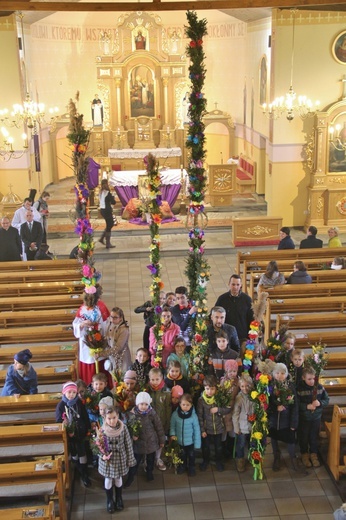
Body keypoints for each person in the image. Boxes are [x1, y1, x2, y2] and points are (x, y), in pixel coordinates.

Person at [98, 406, 136, 513]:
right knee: (109, 479)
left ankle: (119, 498)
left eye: (114, 417)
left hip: (120, 459)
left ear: (118, 416)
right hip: (108, 461)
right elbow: (97, 447)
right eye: (109, 418)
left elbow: (128, 444)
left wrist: (130, 459)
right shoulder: (102, 430)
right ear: (105, 418)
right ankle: (110, 500)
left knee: (118, 478)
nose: (112, 420)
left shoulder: (123, 428)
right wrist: (102, 456)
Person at [55, 381, 91, 487]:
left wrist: (88, 429)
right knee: (74, 454)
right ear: (64, 393)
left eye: (73, 393)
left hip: (80, 433)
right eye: (69, 392)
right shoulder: (61, 405)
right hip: (69, 436)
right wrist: (64, 424)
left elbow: (85, 416)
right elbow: (58, 420)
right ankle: (77, 469)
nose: (71, 395)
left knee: (82, 453)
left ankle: (84, 473)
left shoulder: (78, 403)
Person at [125, 392, 165, 486]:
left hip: (151, 441)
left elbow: (158, 427)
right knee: (135, 461)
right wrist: (132, 435)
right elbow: (128, 427)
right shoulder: (132, 414)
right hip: (138, 443)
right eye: (141, 404)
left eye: (146, 404)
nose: (143, 406)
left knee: (150, 459)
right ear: (137, 404)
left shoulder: (152, 413)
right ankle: (131, 476)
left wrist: (162, 440)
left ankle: (149, 472)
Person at [297, 366, 329, 468]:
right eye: (309, 379)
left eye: (313, 379)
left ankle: (314, 454)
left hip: (316, 417)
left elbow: (326, 399)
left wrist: (320, 403)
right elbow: (296, 404)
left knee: (314, 436)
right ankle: (304, 454)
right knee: (304, 436)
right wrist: (307, 406)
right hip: (304, 418)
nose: (312, 381)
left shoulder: (319, 387)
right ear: (303, 378)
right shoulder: (299, 388)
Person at [268, 363, 299, 471]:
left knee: (290, 440)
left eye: (282, 373)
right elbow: (267, 403)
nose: (279, 376)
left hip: (287, 420)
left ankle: (293, 458)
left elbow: (295, 406)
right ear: (273, 374)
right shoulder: (270, 386)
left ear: (286, 374)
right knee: (274, 438)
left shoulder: (290, 386)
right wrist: (275, 408)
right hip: (274, 419)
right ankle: (276, 456)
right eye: (277, 373)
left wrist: (293, 423)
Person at [197, 375, 231, 472]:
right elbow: (199, 415)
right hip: (206, 429)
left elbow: (228, 409)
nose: (210, 391)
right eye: (207, 389)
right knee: (206, 447)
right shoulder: (201, 400)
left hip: (218, 428)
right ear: (204, 388)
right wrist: (202, 430)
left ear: (216, 388)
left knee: (218, 447)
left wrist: (218, 409)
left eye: (212, 389)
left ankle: (218, 462)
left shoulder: (220, 398)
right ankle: (205, 461)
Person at [73, 292, 105, 384]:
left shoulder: (100, 309)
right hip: (86, 343)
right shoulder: (81, 310)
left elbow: (105, 323)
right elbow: (76, 324)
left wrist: (97, 326)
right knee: (89, 360)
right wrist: (82, 324)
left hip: (98, 340)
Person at [215, 274, 254, 342]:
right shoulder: (222, 299)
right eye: (233, 284)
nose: (235, 287)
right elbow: (215, 316)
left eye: (237, 285)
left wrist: (250, 337)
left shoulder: (247, 300)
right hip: (226, 337)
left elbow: (251, 319)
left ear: (241, 285)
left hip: (242, 337)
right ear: (229, 284)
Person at [170, 393, 201, 476]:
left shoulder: (193, 416)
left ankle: (191, 467)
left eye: (188, 405)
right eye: (183, 404)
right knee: (182, 455)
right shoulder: (175, 415)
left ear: (191, 405)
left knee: (191, 456)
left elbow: (197, 430)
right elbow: (172, 426)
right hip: (180, 441)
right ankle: (183, 466)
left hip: (190, 442)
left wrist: (197, 444)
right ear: (180, 404)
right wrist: (172, 434)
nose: (185, 407)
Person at [147, 367, 171, 471]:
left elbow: (168, 408)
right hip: (149, 423)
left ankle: (158, 458)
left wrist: (167, 423)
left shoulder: (166, 391)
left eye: (157, 379)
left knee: (161, 441)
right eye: (152, 380)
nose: (155, 382)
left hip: (161, 421)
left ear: (162, 378)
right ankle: (147, 461)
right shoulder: (146, 390)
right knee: (149, 440)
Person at [232, 374, 255, 472]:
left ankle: (252, 457)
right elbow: (235, 414)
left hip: (252, 425)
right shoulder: (239, 398)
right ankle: (240, 460)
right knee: (240, 444)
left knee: (252, 443)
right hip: (242, 426)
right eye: (242, 386)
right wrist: (236, 428)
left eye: (247, 386)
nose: (245, 388)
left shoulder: (254, 396)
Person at [104, 307, 132, 374]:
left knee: (121, 377)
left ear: (121, 318)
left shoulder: (124, 330)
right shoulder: (109, 323)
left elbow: (118, 347)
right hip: (111, 356)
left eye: (115, 317)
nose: (112, 319)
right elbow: (106, 338)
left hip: (121, 357)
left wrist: (103, 353)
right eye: (111, 317)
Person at [171, 286, 197, 351]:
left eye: (182, 297)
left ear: (187, 297)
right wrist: (190, 314)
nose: (180, 300)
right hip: (182, 343)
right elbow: (182, 327)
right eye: (178, 298)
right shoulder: (175, 309)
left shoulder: (194, 306)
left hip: (195, 341)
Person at [98, 179, 116, 249]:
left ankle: (102, 239)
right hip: (107, 210)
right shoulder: (107, 193)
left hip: (102, 210)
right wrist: (112, 197)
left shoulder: (101, 192)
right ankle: (107, 243)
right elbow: (113, 202)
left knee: (109, 225)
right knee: (110, 225)